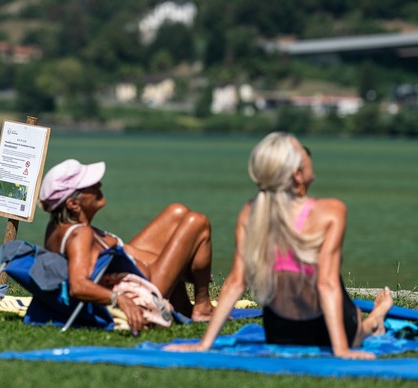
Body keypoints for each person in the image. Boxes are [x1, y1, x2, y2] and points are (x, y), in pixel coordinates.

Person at [165, 132, 393, 360]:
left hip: (278, 330)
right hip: (326, 327)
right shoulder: (331, 211)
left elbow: (236, 282)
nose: (308, 153)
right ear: (297, 174)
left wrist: (205, 345)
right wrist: (342, 350)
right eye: (303, 152)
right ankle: (375, 320)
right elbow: (327, 284)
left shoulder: (251, 211)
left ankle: (375, 317)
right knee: (357, 322)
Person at [38, 159, 214, 334]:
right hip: (145, 290)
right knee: (197, 222)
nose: (99, 184)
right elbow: (78, 286)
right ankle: (202, 307)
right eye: (90, 186)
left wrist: (183, 266)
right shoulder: (79, 235)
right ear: (73, 204)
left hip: (134, 272)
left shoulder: (58, 227)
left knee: (177, 212)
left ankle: (182, 302)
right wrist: (118, 299)